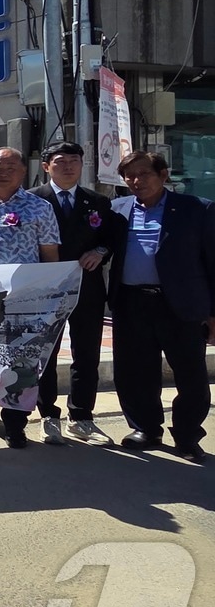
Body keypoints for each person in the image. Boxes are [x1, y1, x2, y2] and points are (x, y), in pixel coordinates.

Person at [108, 151, 215, 463]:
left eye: (144, 174)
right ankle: (145, 427)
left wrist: (212, 313)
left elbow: (213, 262)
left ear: (163, 175)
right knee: (134, 370)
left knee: (190, 374)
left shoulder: (197, 209)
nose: (136, 181)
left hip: (180, 304)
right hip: (131, 301)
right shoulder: (118, 209)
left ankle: (186, 434)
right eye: (129, 176)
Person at [0, 146, 61, 449]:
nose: (3, 171)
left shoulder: (39, 208)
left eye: (10, 167)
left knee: (19, 362)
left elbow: (50, 256)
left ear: (22, 171)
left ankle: (15, 425)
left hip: (25, 299)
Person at [30, 142, 115, 445]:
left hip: (86, 287)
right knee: (46, 354)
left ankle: (81, 417)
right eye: (61, 161)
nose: (68, 166)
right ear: (46, 166)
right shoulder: (32, 200)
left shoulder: (98, 201)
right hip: (45, 290)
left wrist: (101, 250)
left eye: (74, 161)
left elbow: (111, 237)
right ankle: (48, 415)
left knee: (86, 353)